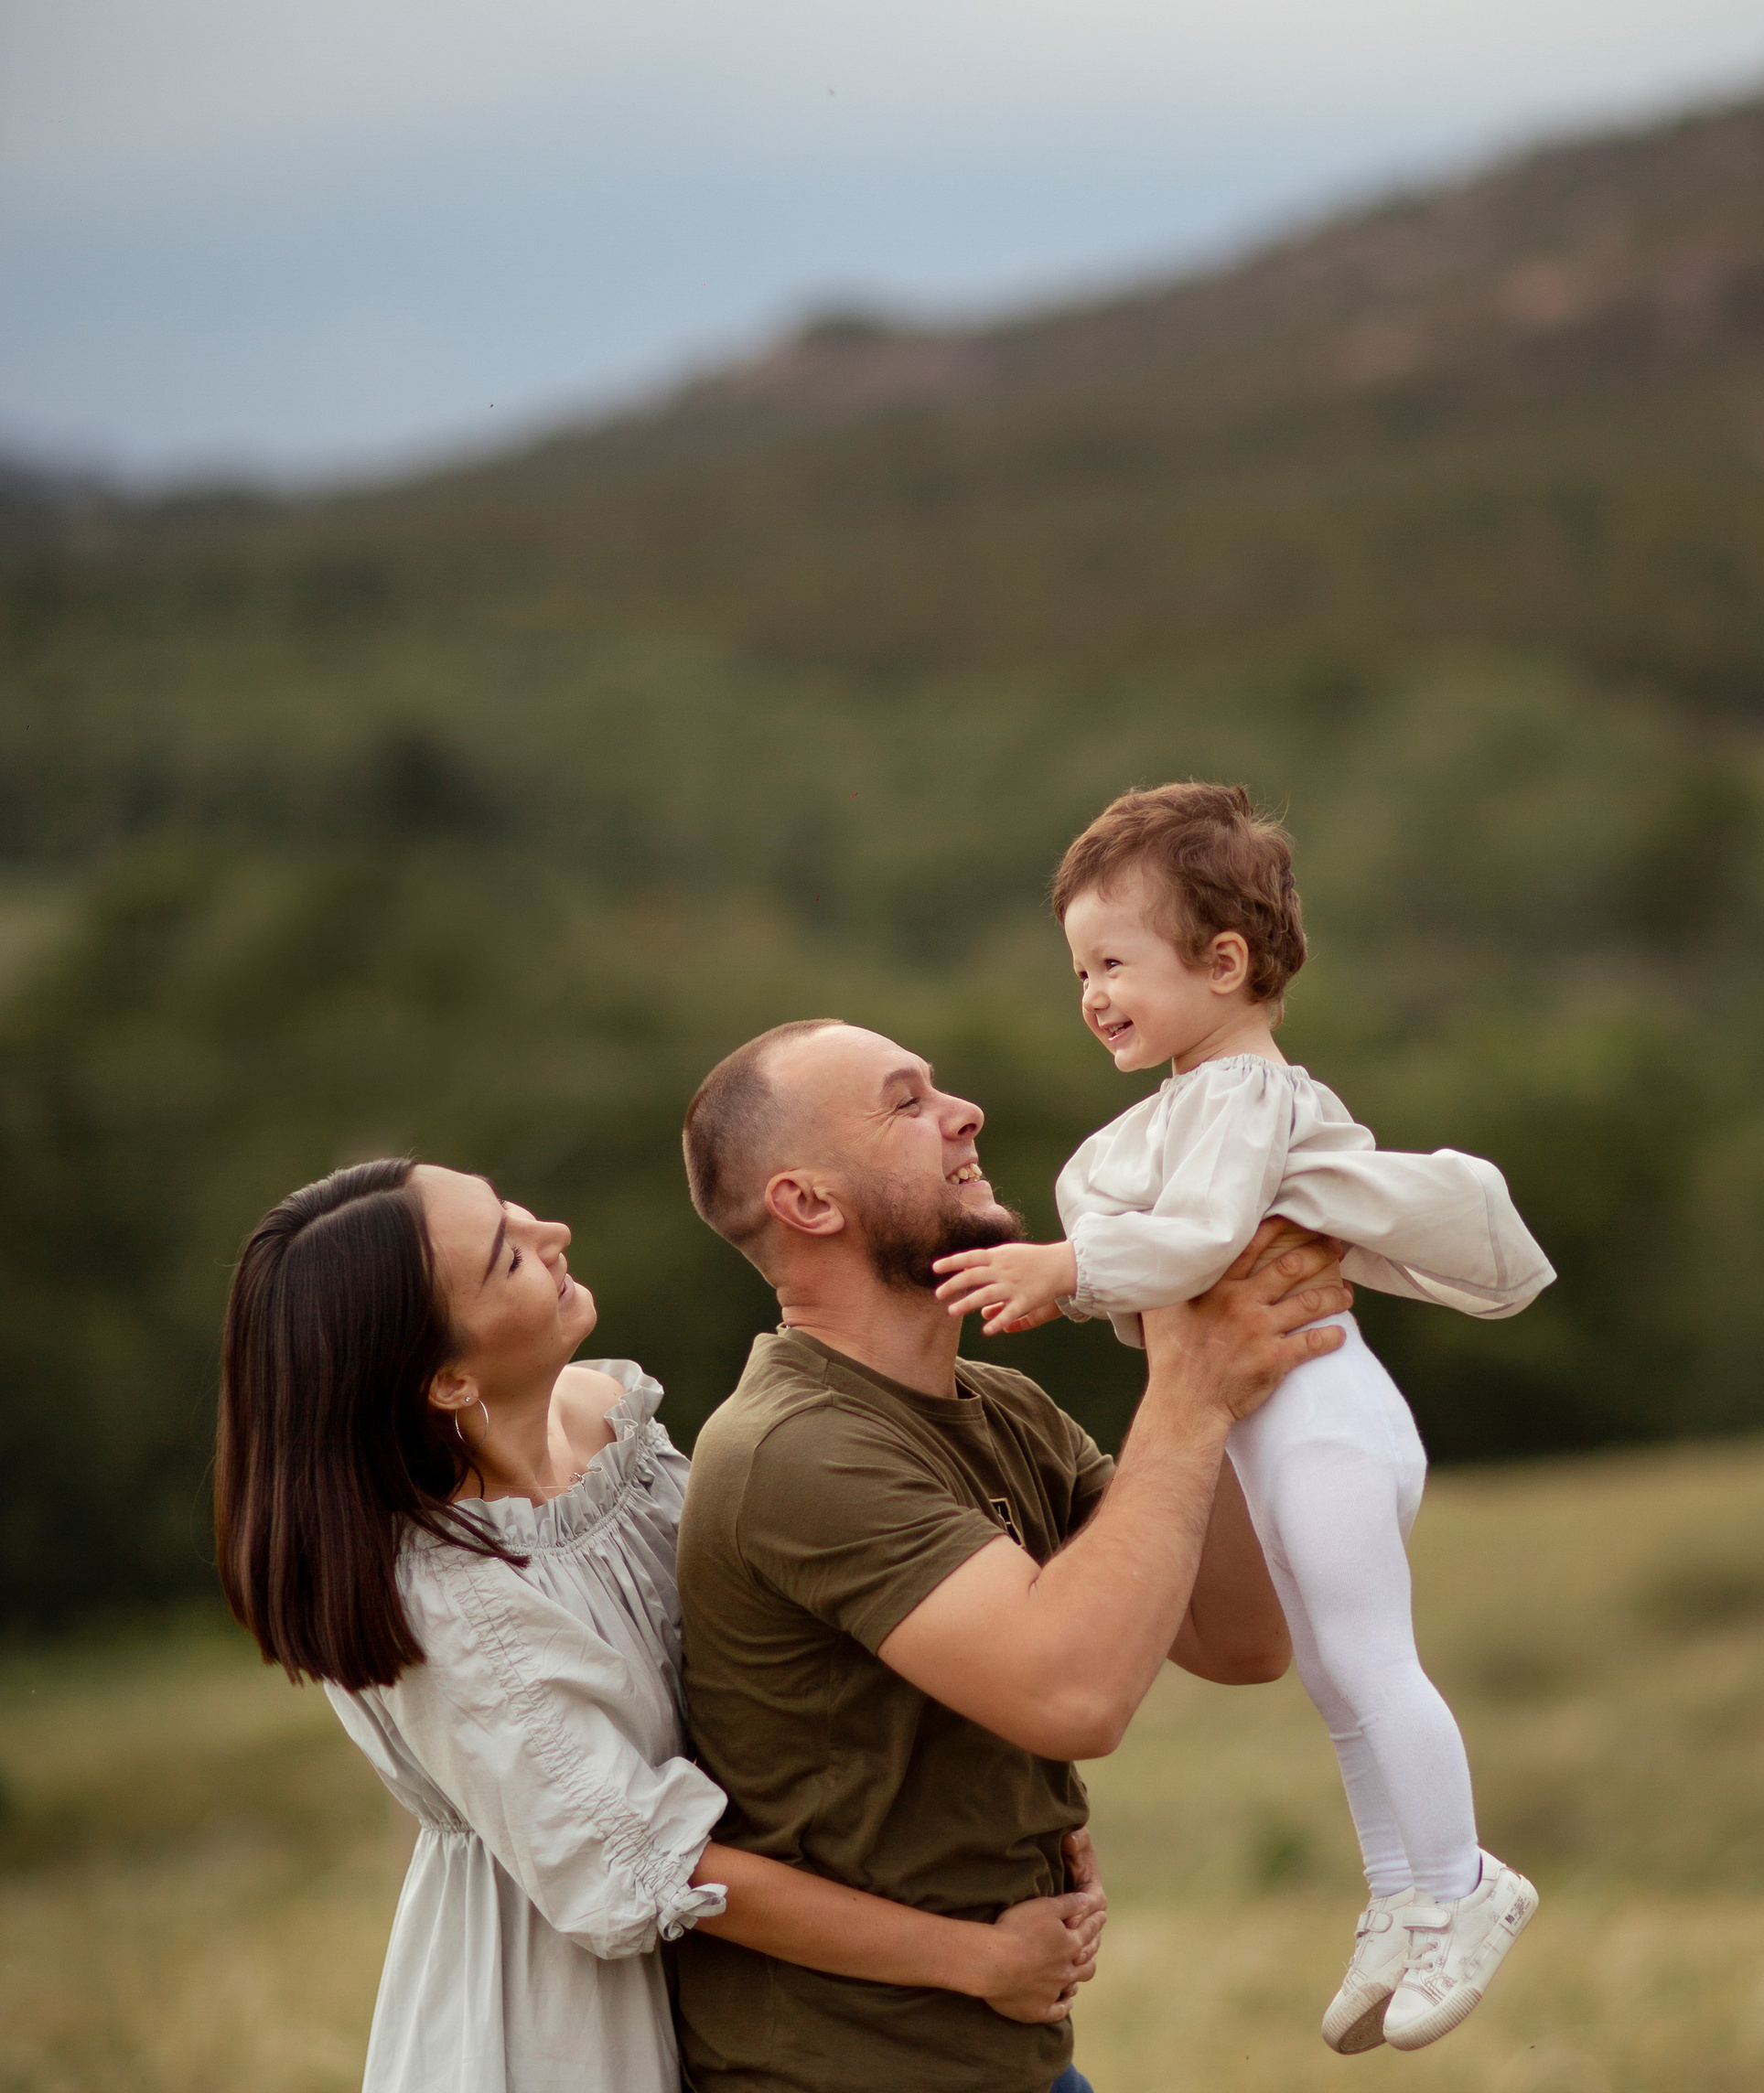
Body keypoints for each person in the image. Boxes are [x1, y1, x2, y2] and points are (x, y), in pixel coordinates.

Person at [214, 1157, 1104, 2093]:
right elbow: (659, 1870)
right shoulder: (455, 1602)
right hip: (574, 2003)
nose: (551, 1235)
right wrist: (978, 1957)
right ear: (445, 1380)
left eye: (513, 1208)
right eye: (506, 1256)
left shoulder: (606, 1415)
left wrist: (1000, 1829)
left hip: (788, 1968)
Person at [931, 781, 1552, 2055]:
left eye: (1114, 962)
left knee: (1372, 1660)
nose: (1093, 993)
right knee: (1333, 1677)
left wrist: (1068, 1267)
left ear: (1224, 963)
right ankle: (1399, 1899)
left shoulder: (1244, 1096)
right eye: (1079, 971)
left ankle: (1463, 1883)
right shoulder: (1188, 1104)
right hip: (1282, 1424)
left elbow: (1206, 1238)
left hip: (1322, 1413)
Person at [675, 1018, 1355, 2093]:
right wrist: (1185, 1386)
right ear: (808, 1203)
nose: (963, 1113)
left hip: (1010, 2065)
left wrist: (1215, 1353)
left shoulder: (1004, 1407)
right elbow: (1075, 1698)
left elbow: (1240, 1639)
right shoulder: (794, 1449)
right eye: (907, 1102)